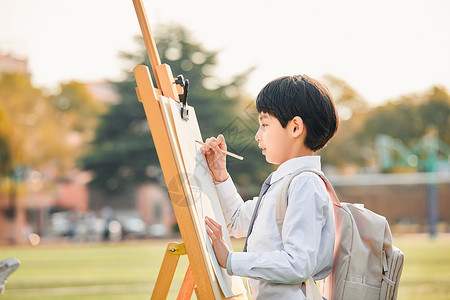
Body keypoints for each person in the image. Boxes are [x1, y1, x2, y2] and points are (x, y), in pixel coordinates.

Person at [203, 75, 338, 299]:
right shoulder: (284, 184)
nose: (257, 136)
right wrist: (220, 174)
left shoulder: (304, 184)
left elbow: (298, 263)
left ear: (295, 127)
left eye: (264, 125)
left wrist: (230, 260)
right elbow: (236, 221)